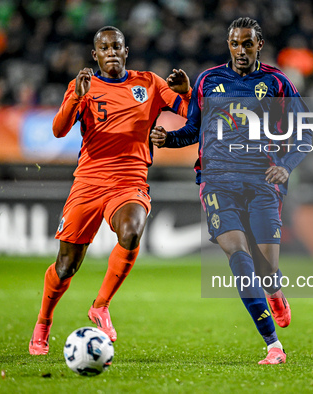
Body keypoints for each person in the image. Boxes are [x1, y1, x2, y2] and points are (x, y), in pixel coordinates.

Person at [151, 17, 313, 365]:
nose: (241, 50)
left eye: (248, 44)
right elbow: (193, 129)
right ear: (229, 45)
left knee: (265, 269)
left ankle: (273, 289)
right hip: (217, 181)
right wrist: (169, 138)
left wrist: (284, 165)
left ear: (260, 45)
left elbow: (305, 133)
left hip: (262, 181)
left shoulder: (277, 84)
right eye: (235, 44)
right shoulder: (208, 81)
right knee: (240, 259)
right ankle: (273, 345)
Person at [29, 26, 192, 355]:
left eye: (117, 46)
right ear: (96, 55)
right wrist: (76, 94)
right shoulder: (83, 88)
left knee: (131, 233)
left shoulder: (149, 84)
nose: (112, 52)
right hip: (88, 182)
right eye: (104, 48)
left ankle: (100, 305)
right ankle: (44, 322)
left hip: (130, 179)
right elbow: (59, 131)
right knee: (65, 267)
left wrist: (187, 94)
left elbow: (191, 115)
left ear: (125, 50)